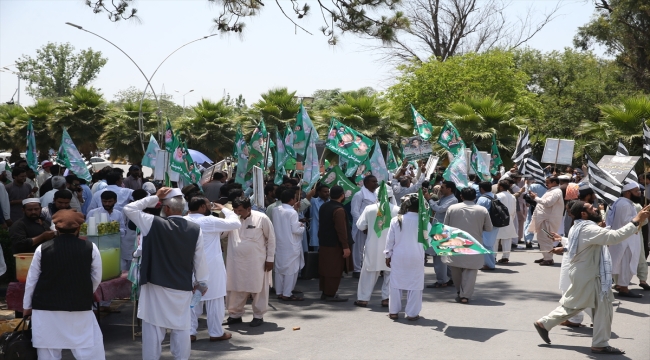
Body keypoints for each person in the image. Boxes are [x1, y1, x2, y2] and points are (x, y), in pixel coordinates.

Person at [533, 202, 650, 355]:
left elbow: (580, 244)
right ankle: (598, 343)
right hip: (590, 275)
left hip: (588, 273)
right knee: (586, 306)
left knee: (592, 306)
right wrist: (636, 220)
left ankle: (546, 324)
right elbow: (614, 237)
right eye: (591, 208)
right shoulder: (588, 228)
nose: (595, 208)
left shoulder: (579, 226)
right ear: (583, 213)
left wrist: (563, 246)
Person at [123, 187, 208, 360]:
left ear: (166, 208)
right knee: (181, 328)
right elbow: (199, 259)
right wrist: (202, 282)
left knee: (153, 330)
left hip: (155, 286)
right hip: (182, 286)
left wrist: (154, 197)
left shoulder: (152, 223)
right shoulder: (195, 229)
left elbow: (129, 209)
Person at [22, 209, 106, 360]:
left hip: (45, 308)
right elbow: (96, 277)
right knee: (87, 349)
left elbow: (32, 280)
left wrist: (27, 306)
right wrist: (83, 291)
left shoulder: (42, 249)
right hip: (79, 306)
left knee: (48, 352)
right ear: (78, 228)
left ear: (56, 229)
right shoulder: (90, 248)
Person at [184, 195, 240, 342]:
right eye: (208, 205)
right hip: (211, 267)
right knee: (214, 299)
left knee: (193, 300)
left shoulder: (184, 220)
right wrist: (224, 209)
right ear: (202, 207)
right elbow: (235, 223)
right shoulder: (208, 220)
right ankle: (215, 332)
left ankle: (190, 332)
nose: (210, 207)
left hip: (190, 266)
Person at [225, 196, 275, 327]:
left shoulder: (261, 218)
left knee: (258, 289)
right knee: (235, 288)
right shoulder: (232, 220)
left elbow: (271, 239)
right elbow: (221, 233)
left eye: (240, 210)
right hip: (235, 262)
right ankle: (234, 315)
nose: (237, 213)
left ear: (249, 208)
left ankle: (258, 315)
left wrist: (270, 259)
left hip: (256, 262)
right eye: (235, 210)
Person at [443, 187, 493, 304]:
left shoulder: (452, 208)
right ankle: (465, 295)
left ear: (461, 196)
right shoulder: (482, 210)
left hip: (455, 242)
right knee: (470, 270)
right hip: (474, 243)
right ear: (475, 197)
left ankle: (459, 291)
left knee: (455, 267)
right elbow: (489, 228)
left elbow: (445, 226)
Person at [385, 193, 429, 320]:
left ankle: (393, 311)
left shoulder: (396, 220)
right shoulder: (424, 222)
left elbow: (390, 241)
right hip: (416, 256)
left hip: (399, 256)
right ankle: (412, 313)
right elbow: (429, 241)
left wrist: (388, 255)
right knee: (415, 285)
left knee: (395, 283)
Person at [354, 186, 399, 307]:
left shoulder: (369, 209)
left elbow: (360, 225)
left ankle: (363, 298)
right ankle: (387, 299)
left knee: (368, 273)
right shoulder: (397, 210)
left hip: (373, 246)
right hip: (392, 248)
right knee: (390, 274)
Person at [605, 181, 644, 298]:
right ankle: (624, 288)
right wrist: (641, 217)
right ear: (628, 192)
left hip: (623, 239)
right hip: (626, 240)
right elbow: (627, 222)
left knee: (622, 263)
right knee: (626, 263)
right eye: (636, 191)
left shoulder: (622, 202)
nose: (639, 193)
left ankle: (620, 285)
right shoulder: (625, 205)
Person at [318, 186, 352, 301]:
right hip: (335, 245)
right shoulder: (339, 210)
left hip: (324, 242)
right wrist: (346, 247)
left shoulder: (324, 206)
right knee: (334, 271)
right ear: (342, 196)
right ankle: (330, 294)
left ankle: (326, 292)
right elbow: (341, 230)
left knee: (325, 269)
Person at [273, 189, 305, 301]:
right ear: (292, 199)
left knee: (279, 268)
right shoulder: (292, 212)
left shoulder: (275, 210)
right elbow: (295, 230)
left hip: (279, 243)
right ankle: (287, 293)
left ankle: (279, 291)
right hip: (291, 244)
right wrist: (302, 226)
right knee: (291, 270)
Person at [528, 176, 563, 265]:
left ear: (554, 182)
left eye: (548, 182)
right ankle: (546, 256)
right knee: (541, 238)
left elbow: (548, 203)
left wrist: (535, 198)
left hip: (548, 220)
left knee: (546, 238)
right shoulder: (551, 190)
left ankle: (548, 259)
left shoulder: (556, 191)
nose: (546, 184)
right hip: (544, 219)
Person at [350, 175, 379, 277]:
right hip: (361, 226)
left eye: (376, 181)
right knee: (359, 248)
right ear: (366, 183)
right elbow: (354, 211)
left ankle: (367, 266)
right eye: (373, 182)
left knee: (371, 247)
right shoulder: (359, 195)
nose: (375, 183)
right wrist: (363, 225)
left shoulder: (376, 195)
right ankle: (357, 269)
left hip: (373, 225)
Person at [476, 181, 499, 270]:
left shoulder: (482, 199)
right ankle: (488, 262)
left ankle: (490, 264)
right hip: (496, 223)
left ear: (481, 189)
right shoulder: (496, 196)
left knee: (486, 244)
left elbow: (478, 212)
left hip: (486, 224)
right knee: (490, 243)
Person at [494, 180, 519, 263]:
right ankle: (505, 257)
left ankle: (493, 257)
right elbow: (514, 211)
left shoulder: (497, 196)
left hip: (499, 220)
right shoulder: (512, 197)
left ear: (501, 186)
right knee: (507, 239)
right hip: (509, 219)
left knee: (495, 239)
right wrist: (511, 219)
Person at [309, 183, 330, 250]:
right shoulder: (313, 201)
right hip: (316, 228)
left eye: (328, 192)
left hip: (327, 230)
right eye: (325, 192)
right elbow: (306, 200)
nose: (327, 193)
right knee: (317, 251)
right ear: (319, 192)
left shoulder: (330, 202)